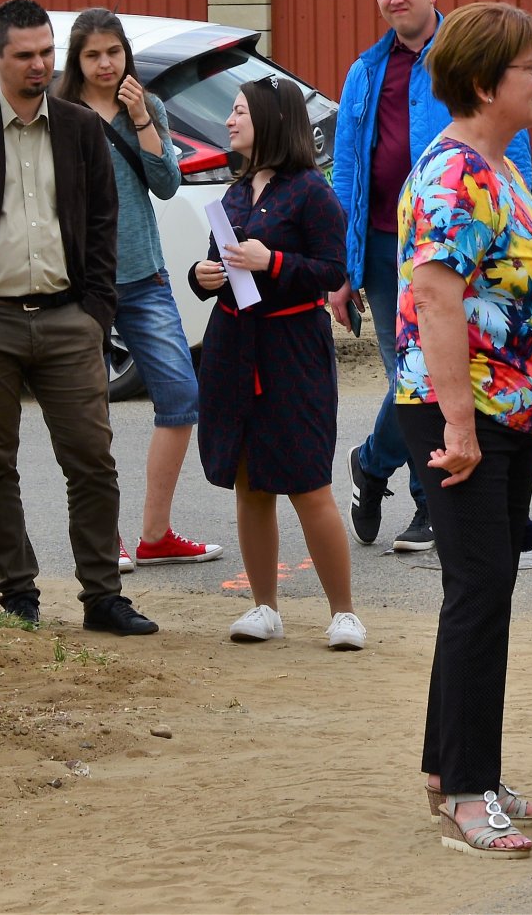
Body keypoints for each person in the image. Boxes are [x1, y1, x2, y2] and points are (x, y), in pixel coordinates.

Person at [0, 0, 155, 637]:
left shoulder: (81, 127)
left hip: (66, 318)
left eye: (47, 53)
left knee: (91, 458)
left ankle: (102, 596)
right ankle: (17, 592)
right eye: (24, 55)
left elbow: (102, 222)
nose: (39, 66)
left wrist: (95, 311)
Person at [398, 2, 532, 857]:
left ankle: (456, 768)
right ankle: (467, 792)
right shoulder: (454, 175)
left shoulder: (498, 167)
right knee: (478, 591)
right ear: (481, 82)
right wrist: (460, 427)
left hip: (504, 413)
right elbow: (434, 296)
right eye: (530, 67)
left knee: (484, 590)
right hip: (460, 415)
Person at [329, 0, 532, 553]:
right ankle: (429, 501)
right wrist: (342, 268)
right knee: (412, 377)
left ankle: (371, 462)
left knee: (440, 373)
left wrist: (521, 227)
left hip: (475, 245)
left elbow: (508, 143)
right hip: (392, 251)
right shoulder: (365, 71)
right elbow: (346, 170)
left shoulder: (466, 58)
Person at [189, 78, 360, 650]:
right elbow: (221, 268)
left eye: (240, 111)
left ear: (271, 120)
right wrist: (202, 276)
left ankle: (343, 613)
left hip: (292, 348)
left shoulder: (311, 191)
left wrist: (275, 260)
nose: (230, 121)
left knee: (309, 482)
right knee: (250, 483)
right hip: (234, 348)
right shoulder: (235, 194)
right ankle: (264, 607)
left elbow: (333, 270)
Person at [57, 8, 223, 573]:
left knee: (180, 397)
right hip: (81, 283)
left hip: (145, 275)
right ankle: (109, 540)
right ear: (76, 61)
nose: (106, 64)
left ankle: (155, 533)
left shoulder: (144, 107)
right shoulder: (60, 113)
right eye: (93, 55)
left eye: (114, 52)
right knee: (89, 414)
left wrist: (141, 119)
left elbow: (167, 183)